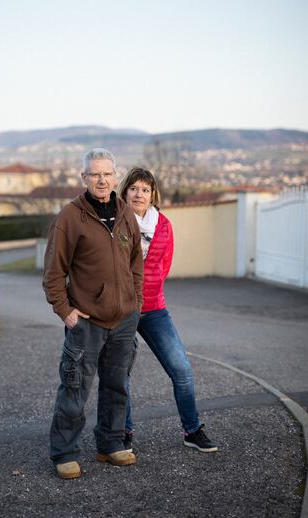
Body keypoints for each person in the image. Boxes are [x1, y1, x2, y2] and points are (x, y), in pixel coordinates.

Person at [43, 148, 144, 479]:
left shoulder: (126, 213)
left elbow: (135, 266)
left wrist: (135, 302)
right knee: (75, 388)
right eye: (94, 174)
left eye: (107, 173)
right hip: (86, 322)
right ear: (83, 178)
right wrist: (66, 312)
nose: (101, 180)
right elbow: (53, 274)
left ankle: (111, 444)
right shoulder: (69, 218)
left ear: (116, 176)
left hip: (124, 321)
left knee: (117, 387)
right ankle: (64, 452)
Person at [118, 167, 217, 453]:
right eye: (134, 188)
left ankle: (192, 430)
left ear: (153, 196)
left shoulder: (163, 225)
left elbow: (164, 266)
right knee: (119, 374)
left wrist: (148, 291)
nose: (139, 194)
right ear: (125, 192)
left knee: (182, 370)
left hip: (153, 309)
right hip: (120, 311)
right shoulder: (114, 223)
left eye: (145, 190)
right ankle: (124, 432)